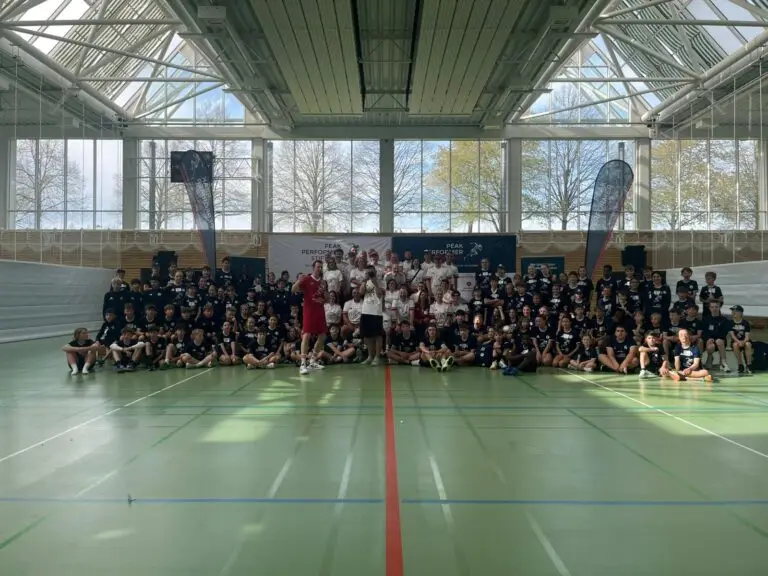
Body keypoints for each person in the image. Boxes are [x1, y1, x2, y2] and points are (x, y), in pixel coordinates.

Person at [292, 260, 327, 375]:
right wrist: (299, 280)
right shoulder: (306, 279)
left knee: (322, 335)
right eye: (318, 267)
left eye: (321, 267)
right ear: (313, 267)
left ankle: (312, 360)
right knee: (306, 335)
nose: (319, 269)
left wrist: (325, 293)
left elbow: (326, 298)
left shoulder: (322, 282)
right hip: (309, 312)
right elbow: (293, 289)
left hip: (320, 311)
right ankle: (303, 363)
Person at [360, 265, 385, 365]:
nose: (370, 274)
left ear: (375, 272)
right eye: (368, 272)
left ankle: (377, 357)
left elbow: (380, 295)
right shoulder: (365, 281)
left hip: (376, 311)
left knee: (377, 335)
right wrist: (364, 281)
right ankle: (370, 356)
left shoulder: (381, 281)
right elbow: (361, 292)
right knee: (367, 335)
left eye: (371, 272)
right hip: (366, 310)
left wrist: (375, 283)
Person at [728, 304, 752, 374]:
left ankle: (749, 365)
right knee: (735, 345)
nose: (733, 312)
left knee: (748, 344)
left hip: (744, 340)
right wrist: (738, 342)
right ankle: (740, 364)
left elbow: (747, 337)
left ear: (741, 313)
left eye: (735, 311)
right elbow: (732, 335)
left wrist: (743, 342)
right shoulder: (730, 323)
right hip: (736, 341)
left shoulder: (745, 323)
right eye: (732, 311)